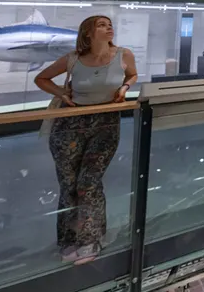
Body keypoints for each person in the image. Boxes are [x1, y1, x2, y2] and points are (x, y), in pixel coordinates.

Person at [34, 15, 137, 264]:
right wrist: (61, 92)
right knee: (69, 184)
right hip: (70, 124)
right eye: (101, 25)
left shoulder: (123, 55)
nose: (108, 27)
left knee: (88, 182)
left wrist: (124, 89)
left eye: (110, 24)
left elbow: (131, 76)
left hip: (105, 123)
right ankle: (69, 238)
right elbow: (42, 78)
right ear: (88, 33)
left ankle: (90, 238)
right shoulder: (73, 59)